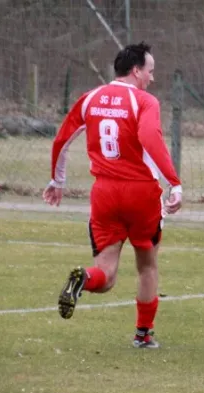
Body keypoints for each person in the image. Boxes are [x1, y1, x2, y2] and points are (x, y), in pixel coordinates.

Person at [42, 42, 182, 349]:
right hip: (141, 194)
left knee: (105, 274)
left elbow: (62, 139)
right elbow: (149, 137)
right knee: (146, 265)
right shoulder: (145, 101)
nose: (152, 78)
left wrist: (57, 180)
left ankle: (84, 279)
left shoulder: (90, 98)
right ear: (136, 71)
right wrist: (174, 181)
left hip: (104, 193)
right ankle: (143, 335)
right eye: (150, 71)